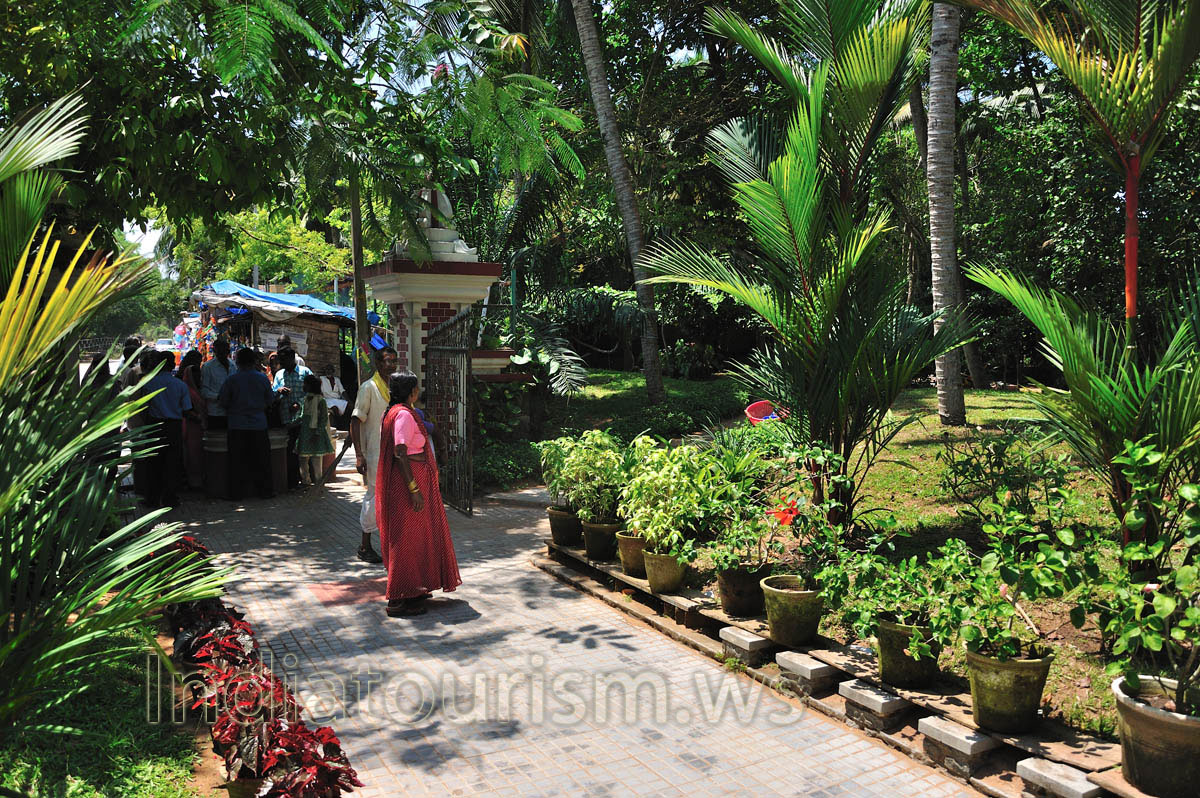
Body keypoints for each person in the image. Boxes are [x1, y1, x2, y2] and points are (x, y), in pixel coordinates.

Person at [376, 370, 462, 617]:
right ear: (412, 392)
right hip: (409, 482)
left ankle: (414, 589)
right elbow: (401, 452)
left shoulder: (395, 411)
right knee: (405, 539)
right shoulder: (403, 414)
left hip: (413, 479)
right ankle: (398, 599)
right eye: (416, 388)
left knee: (416, 537)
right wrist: (413, 489)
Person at [350, 346, 396, 564]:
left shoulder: (395, 386)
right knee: (374, 496)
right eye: (387, 361)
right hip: (375, 453)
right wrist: (359, 455)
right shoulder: (368, 387)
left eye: (394, 361)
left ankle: (392, 544)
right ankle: (365, 545)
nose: (391, 365)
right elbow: (355, 420)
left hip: (395, 452)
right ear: (378, 363)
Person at [218, 347, 276, 500]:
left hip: (237, 425)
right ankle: (265, 491)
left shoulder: (231, 380)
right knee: (262, 460)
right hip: (259, 424)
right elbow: (270, 400)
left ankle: (236, 493)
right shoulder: (262, 379)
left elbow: (223, 401)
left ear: (237, 362)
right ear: (253, 361)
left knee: (237, 460)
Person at [141, 350, 193, 508]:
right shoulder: (180, 385)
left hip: (154, 426)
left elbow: (143, 409)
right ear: (172, 365)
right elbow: (186, 409)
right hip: (173, 427)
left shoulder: (149, 383)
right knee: (172, 463)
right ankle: (170, 498)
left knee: (153, 463)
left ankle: (152, 498)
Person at [271, 347, 313, 490]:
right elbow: (273, 393)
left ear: (292, 358)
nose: (281, 363)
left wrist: (299, 404)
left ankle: (307, 480)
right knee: (290, 452)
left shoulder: (305, 372)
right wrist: (278, 391)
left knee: (304, 452)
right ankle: (292, 482)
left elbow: (313, 393)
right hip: (286, 420)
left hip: (303, 419)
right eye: (280, 360)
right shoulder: (279, 374)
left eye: (283, 360)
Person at [297, 374, 334, 487]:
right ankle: (306, 482)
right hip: (305, 433)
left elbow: (323, 419)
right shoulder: (305, 400)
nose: (303, 386)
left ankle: (319, 484)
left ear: (311, 386)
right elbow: (303, 416)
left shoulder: (320, 401)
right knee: (302, 459)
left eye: (305, 384)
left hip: (316, 434)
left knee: (317, 461)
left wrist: (317, 433)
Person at [179, 362, 207, 490]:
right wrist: (197, 417)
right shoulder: (186, 390)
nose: (198, 378)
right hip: (191, 426)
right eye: (195, 375)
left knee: (198, 453)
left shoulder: (197, 389)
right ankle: (193, 482)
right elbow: (185, 410)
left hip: (198, 427)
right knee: (192, 454)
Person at [200, 338, 233, 430]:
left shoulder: (233, 365)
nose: (223, 353)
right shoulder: (208, 367)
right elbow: (204, 391)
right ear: (215, 351)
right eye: (220, 351)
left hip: (232, 412)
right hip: (215, 412)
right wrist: (219, 397)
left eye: (225, 351)